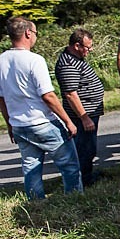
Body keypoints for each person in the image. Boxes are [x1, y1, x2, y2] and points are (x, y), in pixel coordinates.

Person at [0, 17, 82, 199]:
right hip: (42, 122)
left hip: (19, 125)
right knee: (69, 165)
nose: (36, 36)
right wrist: (68, 121)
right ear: (28, 33)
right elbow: (48, 95)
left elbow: (2, 99)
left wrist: (10, 125)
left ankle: (36, 205)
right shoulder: (34, 60)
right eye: (36, 32)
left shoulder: (2, 60)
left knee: (31, 168)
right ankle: (75, 199)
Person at [54, 28, 104, 186]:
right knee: (83, 150)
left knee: (88, 148)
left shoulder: (76, 59)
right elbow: (70, 94)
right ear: (76, 45)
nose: (89, 50)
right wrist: (84, 117)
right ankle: (84, 182)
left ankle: (87, 177)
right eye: (87, 47)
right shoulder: (68, 64)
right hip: (82, 116)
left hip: (89, 113)